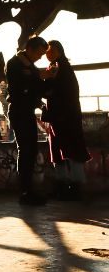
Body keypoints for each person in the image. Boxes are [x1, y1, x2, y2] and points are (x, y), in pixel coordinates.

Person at [41, 40, 90, 199]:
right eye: (47, 51)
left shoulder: (58, 68)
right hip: (64, 117)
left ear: (60, 51)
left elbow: (53, 91)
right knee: (68, 150)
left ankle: (69, 186)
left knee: (66, 150)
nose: (49, 54)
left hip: (62, 117)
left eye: (52, 51)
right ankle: (72, 186)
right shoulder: (60, 67)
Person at [5, 35, 48, 205]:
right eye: (40, 53)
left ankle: (28, 189)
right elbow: (23, 86)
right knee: (26, 150)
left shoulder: (29, 65)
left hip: (26, 111)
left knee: (30, 150)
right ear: (30, 49)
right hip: (19, 111)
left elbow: (33, 85)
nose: (40, 57)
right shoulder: (15, 64)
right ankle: (25, 191)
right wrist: (40, 77)